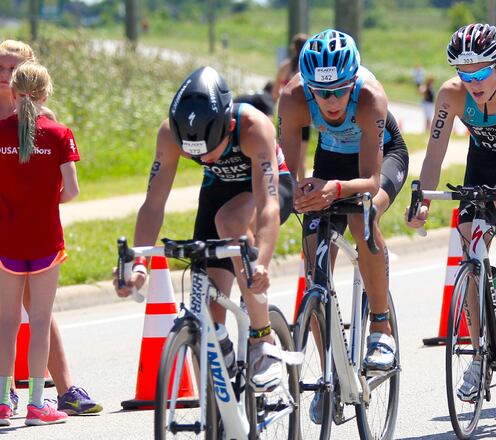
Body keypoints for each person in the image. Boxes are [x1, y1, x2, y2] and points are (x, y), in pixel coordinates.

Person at [114, 66, 294, 392]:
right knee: (210, 307)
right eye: (193, 153)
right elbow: (153, 204)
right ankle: (221, 361)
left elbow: (268, 206)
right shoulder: (170, 134)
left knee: (230, 221)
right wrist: (139, 264)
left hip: (268, 187)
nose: (204, 159)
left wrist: (262, 263)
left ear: (230, 126)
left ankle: (262, 340)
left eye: (210, 149)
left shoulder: (254, 127)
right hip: (218, 191)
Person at [405, 23, 496, 402]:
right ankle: (480, 354)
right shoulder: (450, 95)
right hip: (481, 162)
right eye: (464, 74)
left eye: (481, 73)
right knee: (467, 236)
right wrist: (422, 199)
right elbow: (434, 154)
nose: (473, 83)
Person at [277, 29, 409, 423]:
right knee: (314, 257)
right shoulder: (293, 97)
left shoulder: (369, 97)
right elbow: (288, 172)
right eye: (321, 92)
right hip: (332, 159)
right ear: (308, 87)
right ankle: (329, 375)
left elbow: (370, 180)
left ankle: (381, 328)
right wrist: (298, 193)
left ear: (352, 81)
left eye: (338, 91)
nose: (331, 101)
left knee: (362, 217)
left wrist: (333, 189)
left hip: (379, 161)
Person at [0, 39, 101, 417]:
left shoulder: (47, 122)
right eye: (0, 67)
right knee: (34, 317)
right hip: (36, 236)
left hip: (14, 236)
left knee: (22, 316)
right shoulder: (56, 131)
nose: (5, 74)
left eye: (13, 68)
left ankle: (58, 390)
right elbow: (68, 189)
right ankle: (29, 400)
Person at [273, 33, 311, 180]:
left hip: (287, 116)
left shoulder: (285, 67)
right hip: (306, 115)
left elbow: (275, 93)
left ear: (294, 49)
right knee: (301, 160)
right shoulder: (308, 68)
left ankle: (287, 187)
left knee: (284, 157)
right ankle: (303, 188)